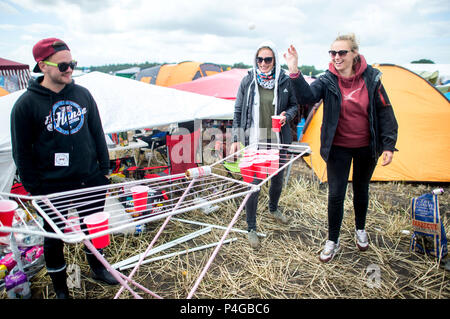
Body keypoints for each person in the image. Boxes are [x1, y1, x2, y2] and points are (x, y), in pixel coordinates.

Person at [10, 38, 118, 298]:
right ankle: (60, 288)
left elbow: (97, 131)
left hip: (89, 179)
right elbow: (21, 153)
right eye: (63, 65)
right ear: (42, 66)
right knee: (54, 237)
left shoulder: (82, 94)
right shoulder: (25, 106)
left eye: (72, 64)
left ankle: (98, 269)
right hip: (51, 185)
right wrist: (35, 189)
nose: (69, 69)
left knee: (92, 228)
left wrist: (104, 170)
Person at [284, 33, 398, 262]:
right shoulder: (327, 80)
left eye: (342, 52)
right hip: (338, 147)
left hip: (367, 145)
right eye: (333, 52)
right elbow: (307, 96)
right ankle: (332, 240)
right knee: (336, 194)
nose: (336, 57)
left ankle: (360, 229)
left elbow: (385, 111)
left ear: (354, 54)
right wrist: (294, 70)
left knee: (361, 189)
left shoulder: (372, 78)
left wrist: (388, 144)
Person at [230, 41, 298, 249]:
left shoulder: (285, 80)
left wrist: (288, 115)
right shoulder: (248, 81)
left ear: (274, 60)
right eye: (260, 59)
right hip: (254, 139)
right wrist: (236, 139)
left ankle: (273, 208)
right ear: (255, 60)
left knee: (277, 179)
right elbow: (238, 111)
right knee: (254, 183)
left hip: (278, 139)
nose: (263, 63)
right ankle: (251, 227)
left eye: (268, 59)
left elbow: (295, 105)